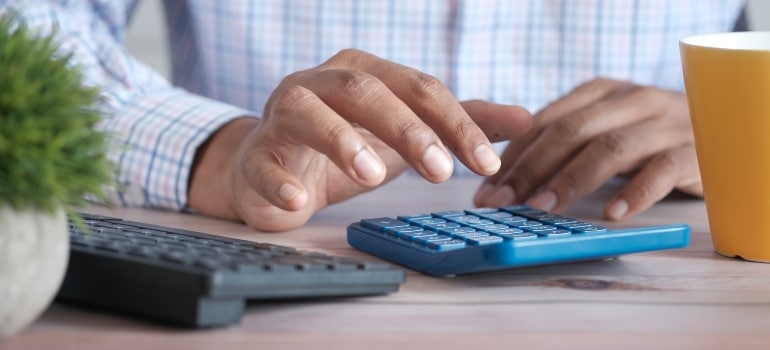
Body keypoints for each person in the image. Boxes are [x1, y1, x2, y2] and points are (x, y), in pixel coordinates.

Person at [0, 1, 746, 231]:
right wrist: (216, 155)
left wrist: (742, 120)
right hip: (271, 280)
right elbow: (19, 29)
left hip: (657, 289)